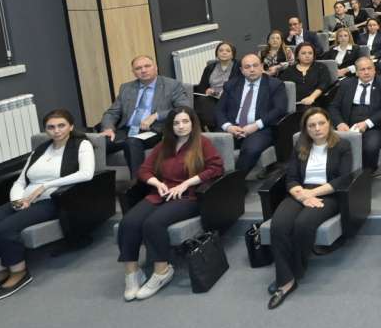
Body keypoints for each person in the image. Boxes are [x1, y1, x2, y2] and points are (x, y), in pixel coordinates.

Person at [0, 109, 94, 301]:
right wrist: (16, 200)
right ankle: (1, 270)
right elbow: (21, 181)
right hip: (24, 199)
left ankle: (19, 272)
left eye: (61, 125)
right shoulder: (40, 150)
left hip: (53, 200)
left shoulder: (81, 145)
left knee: (4, 229)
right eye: (51, 127)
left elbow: (86, 174)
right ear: (46, 130)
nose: (56, 131)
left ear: (71, 126)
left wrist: (46, 185)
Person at [119, 107, 224, 301]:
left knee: (154, 223)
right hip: (161, 193)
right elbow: (144, 170)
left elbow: (216, 168)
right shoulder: (163, 145)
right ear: (170, 126)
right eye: (176, 123)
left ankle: (162, 271)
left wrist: (187, 183)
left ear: (193, 123)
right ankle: (132, 273)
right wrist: (157, 183)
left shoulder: (203, 143)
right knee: (129, 222)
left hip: (188, 197)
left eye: (185, 121)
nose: (181, 126)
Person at [267, 107, 354, 308]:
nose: (317, 128)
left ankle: (290, 276)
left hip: (328, 194)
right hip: (300, 192)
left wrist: (311, 194)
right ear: (306, 129)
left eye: (321, 123)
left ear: (329, 123)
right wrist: (301, 195)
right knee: (278, 225)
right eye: (311, 125)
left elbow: (342, 179)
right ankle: (286, 277)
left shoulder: (343, 145)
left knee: (303, 224)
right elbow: (291, 177)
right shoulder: (300, 145)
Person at [98, 55, 191, 183]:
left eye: (147, 66)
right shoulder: (126, 88)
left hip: (154, 130)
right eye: (138, 68)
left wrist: (156, 115)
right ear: (133, 72)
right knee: (95, 143)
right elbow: (112, 112)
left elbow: (184, 108)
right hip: (126, 130)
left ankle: (138, 185)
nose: (143, 70)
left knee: (132, 142)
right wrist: (108, 128)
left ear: (156, 67)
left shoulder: (172, 85)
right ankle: (93, 185)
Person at [216, 54, 289, 172]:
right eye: (247, 67)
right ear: (241, 70)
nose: (252, 69)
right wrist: (228, 127)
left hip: (260, 128)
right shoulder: (231, 85)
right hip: (233, 127)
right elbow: (219, 110)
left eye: (255, 65)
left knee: (251, 149)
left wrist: (256, 125)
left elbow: (279, 109)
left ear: (261, 66)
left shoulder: (275, 85)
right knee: (211, 146)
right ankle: (214, 178)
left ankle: (235, 179)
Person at [328, 56, 381, 173]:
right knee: (332, 146)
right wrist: (339, 123)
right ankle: (341, 173)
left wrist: (367, 123)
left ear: (374, 70)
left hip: (373, 124)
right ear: (357, 72)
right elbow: (333, 106)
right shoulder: (346, 84)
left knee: (370, 147)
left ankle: (366, 173)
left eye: (369, 68)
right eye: (362, 69)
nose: (366, 72)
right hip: (347, 123)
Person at [193, 41, 236, 130]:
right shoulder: (209, 68)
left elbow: (239, 85)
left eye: (228, 51)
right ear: (217, 54)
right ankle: (210, 128)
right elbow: (202, 86)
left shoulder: (237, 67)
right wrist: (207, 90)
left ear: (232, 55)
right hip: (212, 97)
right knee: (201, 101)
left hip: (229, 96)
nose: (224, 52)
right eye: (221, 50)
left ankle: (216, 128)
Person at [281, 41, 331, 114]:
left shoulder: (321, 67)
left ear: (314, 55)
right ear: (297, 56)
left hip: (316, 103)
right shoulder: (289, 71)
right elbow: (283, 88)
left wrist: (312, 97)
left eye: (310, 53)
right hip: (295, 104)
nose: (307, 56)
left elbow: (324, 84)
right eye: (303, 53)